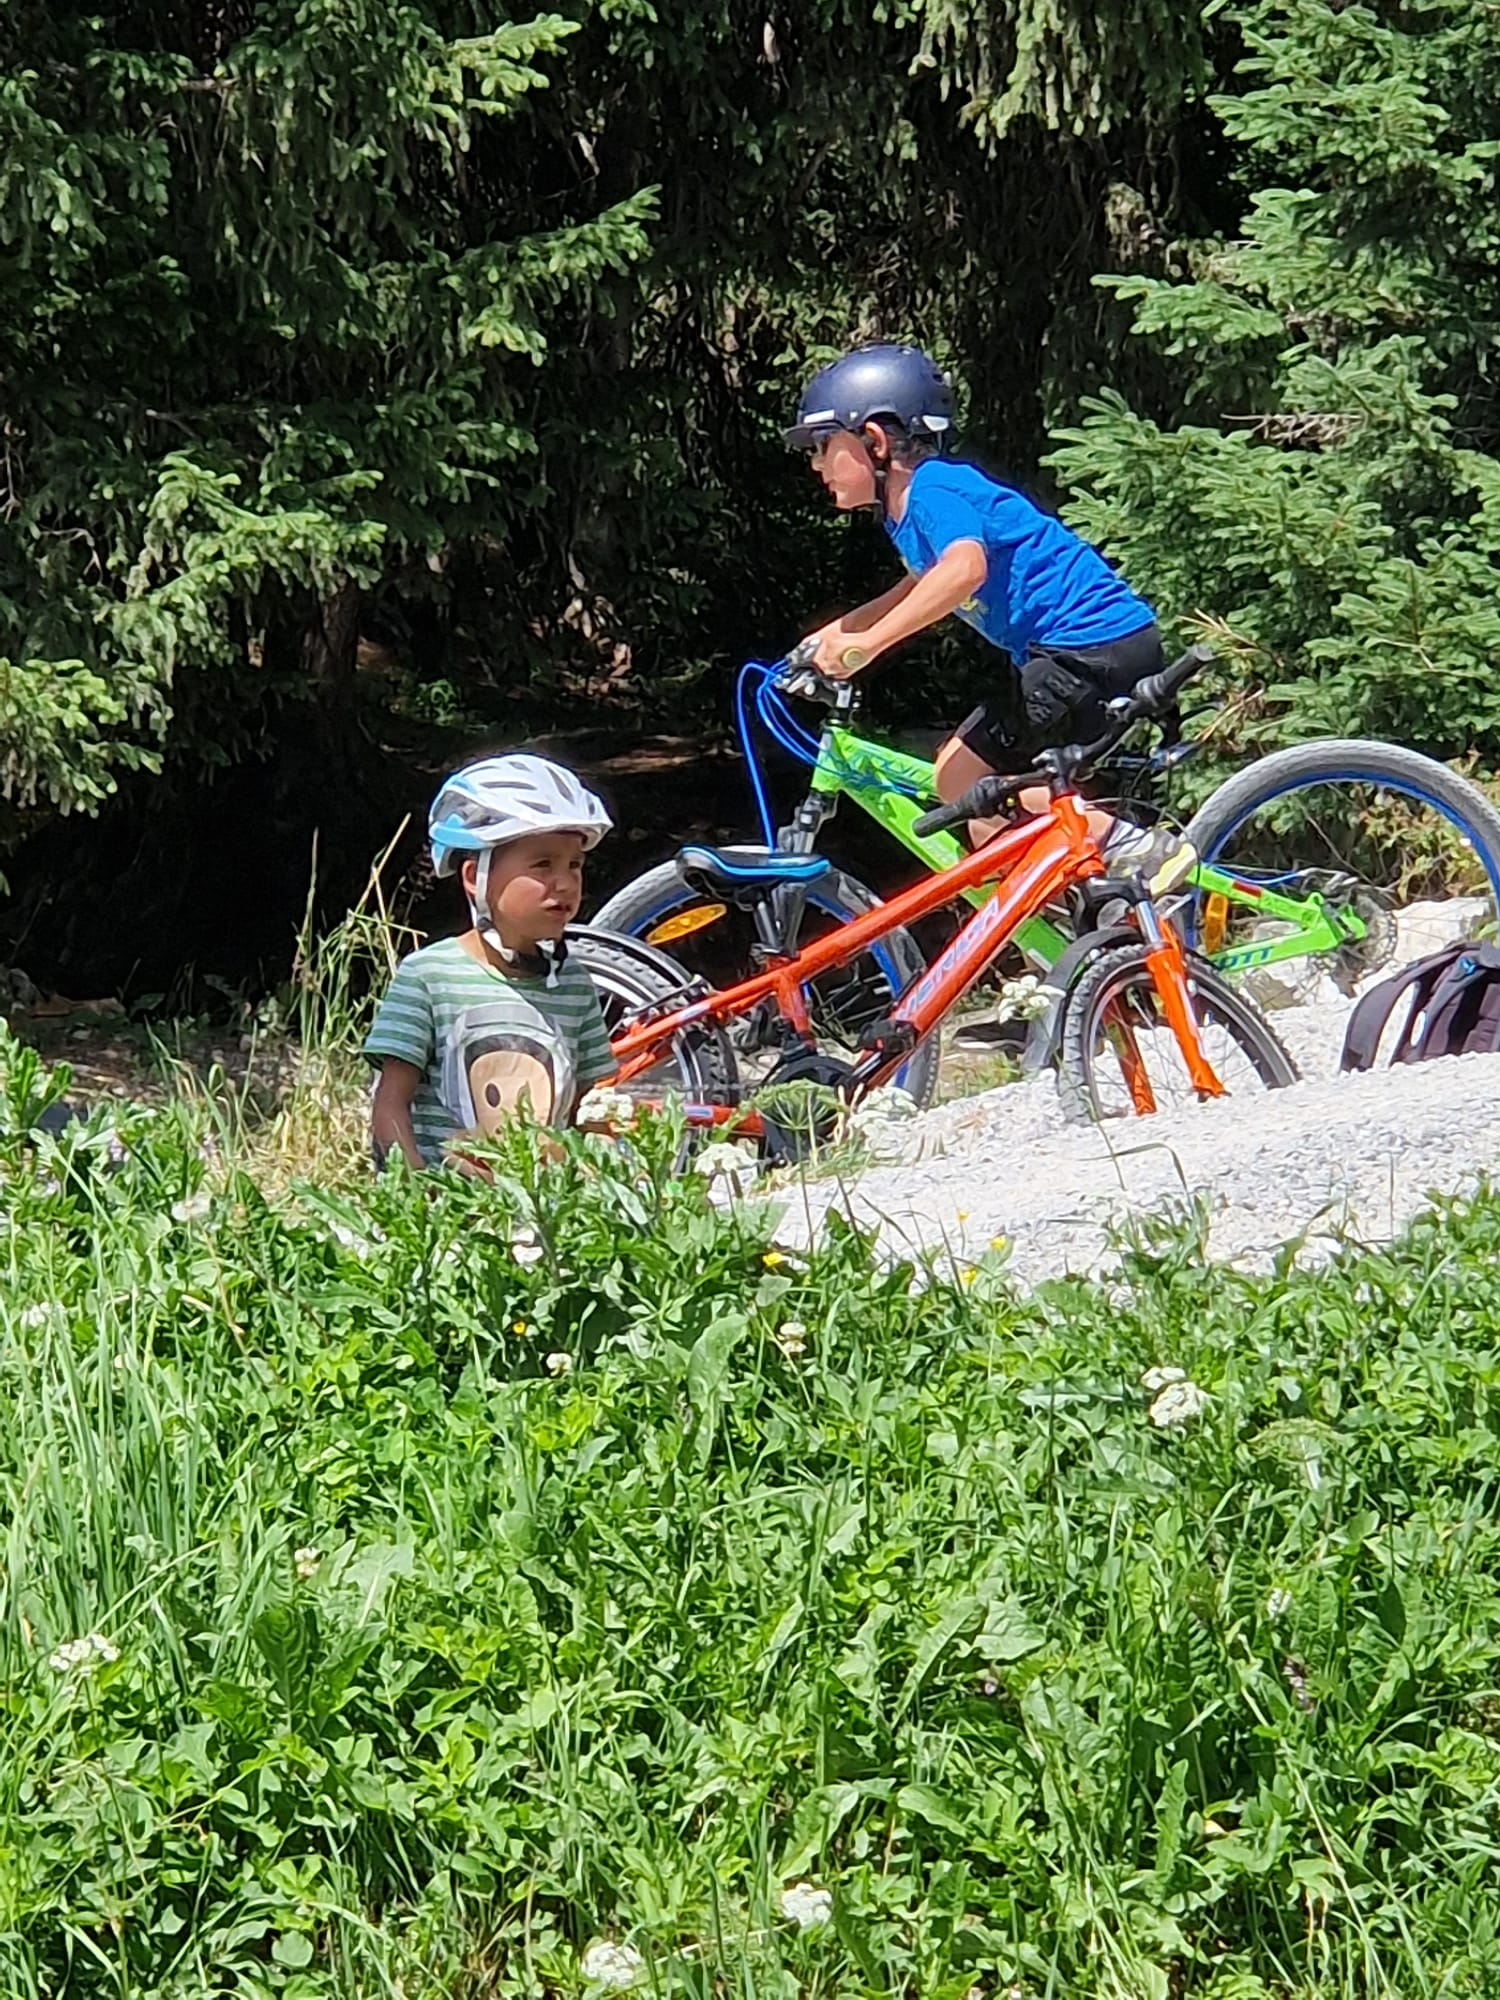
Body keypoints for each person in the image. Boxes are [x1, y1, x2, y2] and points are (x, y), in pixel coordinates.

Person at [785, 342, 1194, 887]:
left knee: (959, 776)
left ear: (875, 441)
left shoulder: (931, 490)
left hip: (1090, 649)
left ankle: (1137, 848)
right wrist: (833, 635)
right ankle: (1077, 915)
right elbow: (919, 583)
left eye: (822, 444)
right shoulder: (908, 509)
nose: (815, 463)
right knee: (983, 816)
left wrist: (868, 645)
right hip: (1082, 651)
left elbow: (963, 570)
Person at [363, 755, 618, 1171]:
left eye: (574, 865)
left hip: (545, 1206)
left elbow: (592, 1110)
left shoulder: (573, 984)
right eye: (543, 864)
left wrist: (608, 1179)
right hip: (447, 1205)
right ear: (473, 877)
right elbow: (390, 1103)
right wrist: (413, 1188)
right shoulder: (429, 977)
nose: (565, 882)